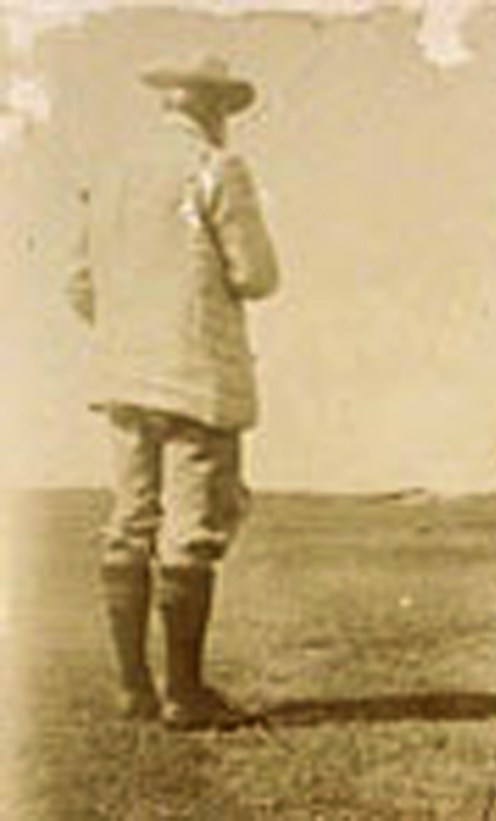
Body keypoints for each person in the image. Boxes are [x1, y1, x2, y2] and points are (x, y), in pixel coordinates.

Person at [66, 56, 280, 729]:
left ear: (165, 102)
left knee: (128, 523)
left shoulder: (109, 174)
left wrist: (134, 327)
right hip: (196, 378)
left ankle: (133, 687)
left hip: (124, 377)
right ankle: (184, 693)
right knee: (189, 532)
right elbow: (256, 275)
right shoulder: (218, 167)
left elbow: (78, 282)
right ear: (214, 108)